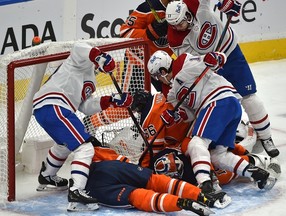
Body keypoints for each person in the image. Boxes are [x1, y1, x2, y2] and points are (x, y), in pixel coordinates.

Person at [147, 50, 277, 194]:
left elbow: (215, 59)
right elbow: (189, 114)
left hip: (218, 101)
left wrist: (216, 58)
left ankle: (205, 184)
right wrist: (175, 116)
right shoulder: (172, 93)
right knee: (217, 155)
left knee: (196, 144)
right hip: (229, 107)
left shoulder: (184, 63)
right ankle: (257, 174)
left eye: (157, 75)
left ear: (163, 70)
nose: (158, 79)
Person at [164, 0, 279, 158]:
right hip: (212, 68)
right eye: (174, 25)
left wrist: (227, 3)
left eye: (180, 23)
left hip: (230, 51)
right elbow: (188, 60)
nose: (177, 28)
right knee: (222, 104)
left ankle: (266, 138)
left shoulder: (194, 3)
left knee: (250, 97)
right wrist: (206, 60)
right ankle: (223, 145)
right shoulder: (174, 39)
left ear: (187, 15)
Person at [32, 41, 133, 210]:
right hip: (54, 105)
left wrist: (110, 100)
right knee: (85, 148)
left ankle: (47, 175)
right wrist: (101, 57)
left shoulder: (91, 80)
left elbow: (84, 107)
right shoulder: (78, 61)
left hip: (48, 109)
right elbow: (80, 48)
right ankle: (77, 190)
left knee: (65, 144)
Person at [84, 145, 228, 214]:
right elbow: (116, 157)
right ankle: (201, 196)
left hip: (93, 183)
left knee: (136, 196)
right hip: (110, 166)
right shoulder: (90, 148)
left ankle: (181, 203)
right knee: (155, 180)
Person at [120, 0, 174, 92]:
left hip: (163, 64)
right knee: (130, 101)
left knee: (173, 96)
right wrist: (149, 33)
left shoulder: (184, 7)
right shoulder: (146, 8)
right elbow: (124, 32)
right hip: (138, 60)